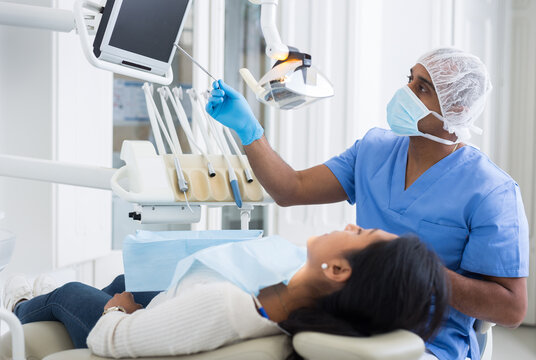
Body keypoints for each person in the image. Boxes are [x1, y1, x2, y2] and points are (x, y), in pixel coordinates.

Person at [206, 47, 529, 360]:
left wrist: (416, 269)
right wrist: (249, 131)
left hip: (427, 338)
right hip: (349, 311)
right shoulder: (374, 150)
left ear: (456, 110)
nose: (406, 92)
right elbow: (292, 189)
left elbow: (511, 308)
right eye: (410, 79)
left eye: (422, 88)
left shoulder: (491, 190)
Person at [2, 226, 448, 358]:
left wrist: (118, 313)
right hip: (167, 312)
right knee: (125, 282)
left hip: (118, 334)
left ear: (335, 269)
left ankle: (19, 306)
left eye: (362, 232)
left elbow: (110, 339)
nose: (351, 224)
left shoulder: (225, 306)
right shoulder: (300, 305)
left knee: (73, 292)